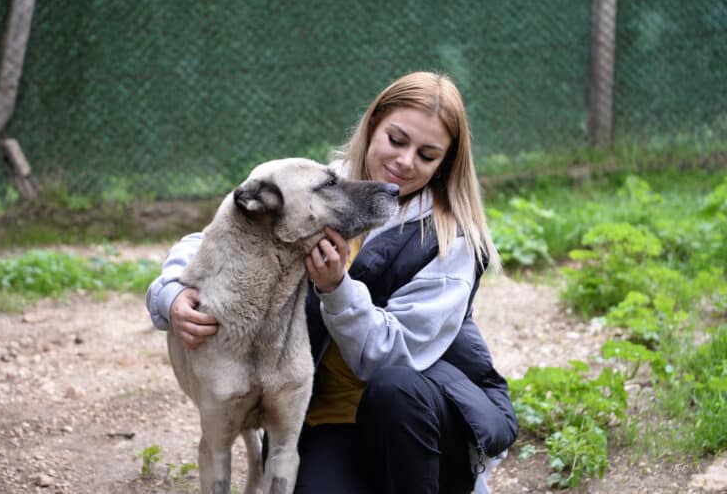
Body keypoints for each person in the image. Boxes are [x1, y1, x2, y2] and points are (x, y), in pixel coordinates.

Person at [146, 71, 518, 494]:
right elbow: (221, 236)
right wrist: (170, 294)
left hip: (420, 427)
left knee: (394, 390)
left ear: (443, 165)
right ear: (373, 124)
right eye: (396, 140)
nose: (405, 161)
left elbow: (390, 360)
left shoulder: (448, 240)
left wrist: (337, 290)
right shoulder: (317, 189)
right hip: (331, 422)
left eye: (427, 155)